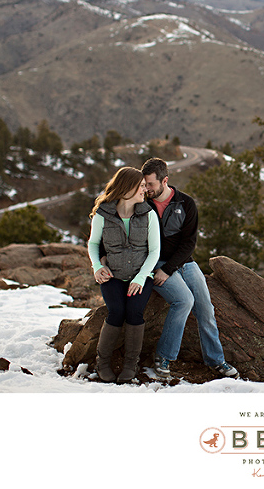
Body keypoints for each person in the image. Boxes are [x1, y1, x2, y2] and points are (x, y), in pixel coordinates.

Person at [141, 157, 238, 379]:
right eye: (144, 184)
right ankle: (164, 356)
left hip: (184, 263)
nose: (146, 189)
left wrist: (170, 269)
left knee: (206, 309)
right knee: (183, 301)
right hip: (156, 263)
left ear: (165, 181)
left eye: (151, 184)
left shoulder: (186, 204)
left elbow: (189, 243)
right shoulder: (142, 205)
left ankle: (216, 360)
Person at [87, 166, 161, 383]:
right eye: (140, 186)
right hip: (113, 275)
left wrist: (140, 277)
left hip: (141, 276)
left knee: (135, 313)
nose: (145, 190)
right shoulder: (103, 214)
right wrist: (97, 267)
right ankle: (102, 363)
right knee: (116, 312)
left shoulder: (148, 214)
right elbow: (93, 243)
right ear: (127, 188)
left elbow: (155, 250)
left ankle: (130, 365)